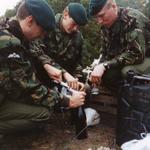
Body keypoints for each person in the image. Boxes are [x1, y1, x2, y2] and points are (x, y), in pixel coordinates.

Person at [0, 0, 85, 135]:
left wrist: (48, 66)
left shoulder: (12, 30)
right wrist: (67, 101)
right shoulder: (10, 43)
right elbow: (30, 88)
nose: (43, 34)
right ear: (30, 20)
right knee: (42, 113)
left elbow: (36, 51)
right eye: (43, 29)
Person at [88, 0, 150, 89]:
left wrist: (105, 65)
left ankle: (136, 98)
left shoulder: (132, 19)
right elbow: (106, 53)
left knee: (127, 72)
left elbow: (136, 54)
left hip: (145, 56)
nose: (99, 21)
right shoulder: (106, 24)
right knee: (106, 76)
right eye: (96, 17)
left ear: (113, 6)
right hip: (130, 59)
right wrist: (98, 68)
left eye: (101, 15)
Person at [30, 2, 88, 90]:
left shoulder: (78, 37)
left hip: (63, 83)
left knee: (86, 89)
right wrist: (64, 72)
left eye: (78, 26)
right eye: (74, 23)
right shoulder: (47, 26)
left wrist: (77, 79)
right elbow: (35, 50)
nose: (75, 29)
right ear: (65, 14)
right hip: (39, 79)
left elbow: (78, 63)